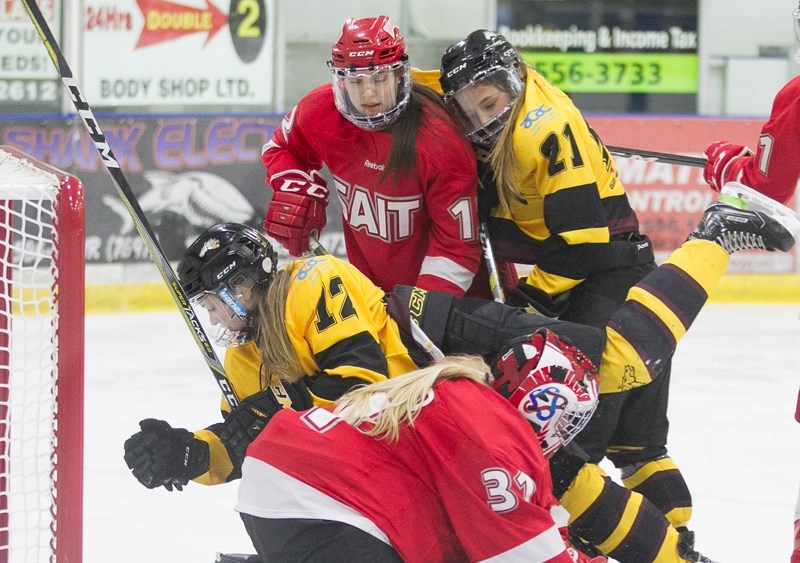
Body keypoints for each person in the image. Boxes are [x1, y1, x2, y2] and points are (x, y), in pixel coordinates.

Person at [123, 183, 796, 558]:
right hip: (442, 427)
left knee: (620, 364)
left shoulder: (307, 281)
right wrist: (195, 451)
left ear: (257, 275)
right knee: (554, 472)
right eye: (209, 306)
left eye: (226, 294)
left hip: (453, 350)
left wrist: (257, 422)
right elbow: (281, 440)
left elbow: (357, 389)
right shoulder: (246, 356)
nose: (221, 315)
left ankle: (715, 228)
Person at [435, 30, 799, 563]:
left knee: (568, 457)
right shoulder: (526, 109)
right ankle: (682, 550)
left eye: (489, 104)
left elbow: (580, 251)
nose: (480, 122)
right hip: (627, 276)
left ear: (513, 82)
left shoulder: (544, 130)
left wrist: (525, 308)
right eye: (466, 112)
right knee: (642, 449)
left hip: (603, 287)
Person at [236, 354, 604, 562]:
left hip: (290, 486)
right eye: (566, 421)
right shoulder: (490, 431)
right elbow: (520, 554)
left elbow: (537, 527)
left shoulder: (457, 394)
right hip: (322, 502)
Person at [260, 15, 492, 299]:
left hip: (455, 303)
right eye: (356, 82)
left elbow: (455, 246)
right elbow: (280, 148)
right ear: (341, 82)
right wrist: (293, 187)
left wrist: (420, 311)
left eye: (379, 78)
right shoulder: (320, 110)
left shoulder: (441, 141)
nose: (368, 93)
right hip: (373, 296)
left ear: (399, 75)